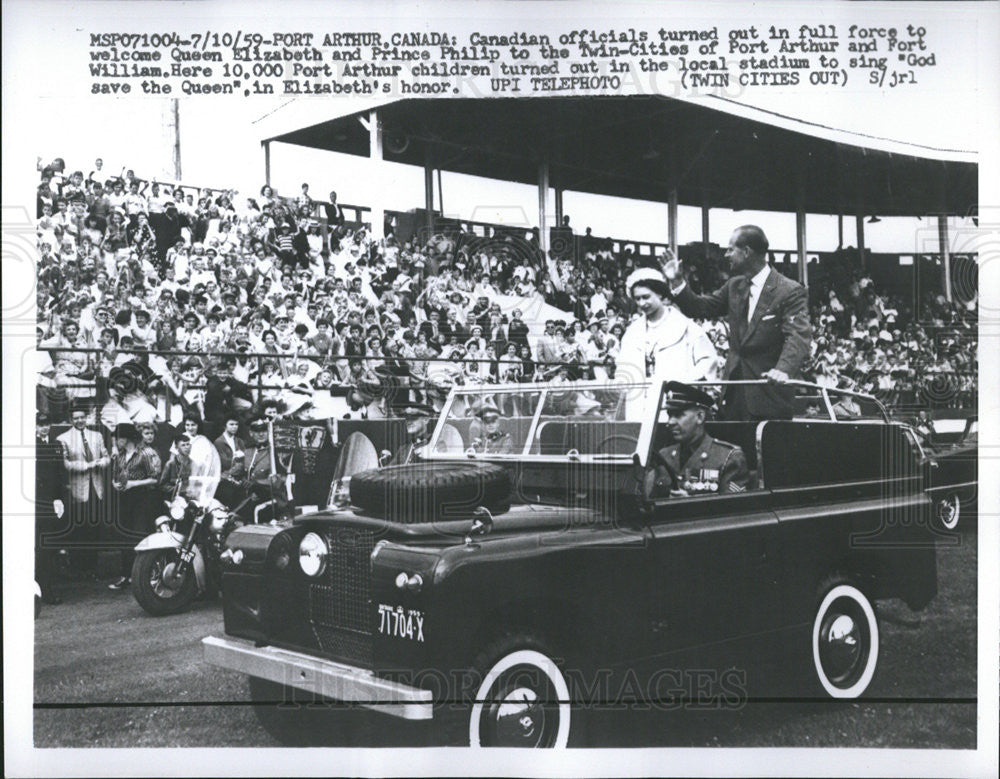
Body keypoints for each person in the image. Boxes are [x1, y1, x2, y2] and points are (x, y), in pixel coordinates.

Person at [664, 225, 811, 420]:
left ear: (747, 252)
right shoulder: (734, 285)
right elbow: (700, 308)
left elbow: (798, 336)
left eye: (731, 249)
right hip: (733, 395)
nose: (726, 255)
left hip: (769, 394)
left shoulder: (789, 290)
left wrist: (782, 370)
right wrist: (677, 282)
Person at [617, 267, 718, 385]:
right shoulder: (632, 332)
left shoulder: (685, 326)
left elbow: (708, 360)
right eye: (637, 299)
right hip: (640, 399)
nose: (642, 303)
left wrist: (684, 383)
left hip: (674, 398)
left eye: (646, 297)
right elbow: (623, 367)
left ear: (659, 294)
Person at [649, 382, 750, 497]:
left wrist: (690, 504)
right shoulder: (664, 456)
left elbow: (735, 508)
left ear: (700, 417)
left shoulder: (728, 458)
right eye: (669, 415)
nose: (670, 422)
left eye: (678, 415)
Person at [56, 403, 110, 577]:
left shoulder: (97, 435)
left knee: (94, 528)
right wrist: (86, 466)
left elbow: (106, 457)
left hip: (96, 488)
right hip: (78, 490)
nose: (79, 420)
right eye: (76, 418)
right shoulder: (63, 438)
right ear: (71, 419)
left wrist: (101, 462)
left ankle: (92, 568)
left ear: (86, 418)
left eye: (82, 417)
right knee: (79, 528)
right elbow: (65, 464)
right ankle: (78, 568)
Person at [108, 422, 162, 590]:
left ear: (126, 438)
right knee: (125, 536)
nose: (116, 442)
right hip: (125, 498)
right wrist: (115, 483)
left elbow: (155, 478)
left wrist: (133, 484)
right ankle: (127, 575)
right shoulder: (119, 456)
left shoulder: (146, 453)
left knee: (141, 534)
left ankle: (147, 574)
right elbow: (115, 475)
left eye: (118, 438)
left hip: (143, 498)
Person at [35, 413, 65, 604]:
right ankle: (39, 590)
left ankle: (47, 589)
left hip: (51, 503)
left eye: (47, 424)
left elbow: (60, 475)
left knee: (48, 547)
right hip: (36, 502)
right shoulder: (31, 445)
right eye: (40, 424)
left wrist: (59, 499)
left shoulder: (56, 445)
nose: (44, 428)